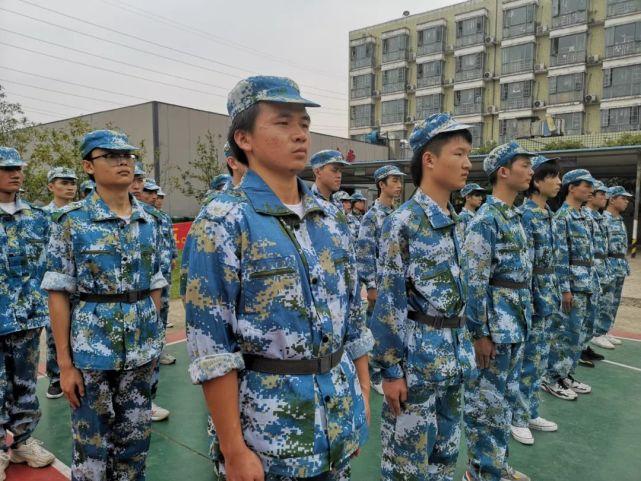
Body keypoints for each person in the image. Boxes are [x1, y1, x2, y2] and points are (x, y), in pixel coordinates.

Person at [184, 75, 372, 480]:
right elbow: (212, 351)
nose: (300, 134)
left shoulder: (331, 217)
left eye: (303, 124)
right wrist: (234, 451)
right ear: (244, 138)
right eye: (283, 123)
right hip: (269, 436)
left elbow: (353, 320)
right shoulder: (223, 220)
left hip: (337, 421)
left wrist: (362, 397)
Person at [42, 130, 168, 481]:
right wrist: (65, 365)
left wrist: (153, 338)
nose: (123, 161)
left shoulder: (151, 222)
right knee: (92, 447)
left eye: (127, 155)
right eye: (110, 156)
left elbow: (155, 286)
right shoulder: (71, 222)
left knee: (135, 443)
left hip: (141, 352)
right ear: (88, 166)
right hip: (91, 354)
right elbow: (58, 294)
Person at [370, 114, 476, 481]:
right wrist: (390, 371)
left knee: (445, 458)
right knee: (407, 466)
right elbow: (389, 303)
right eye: (459, 153)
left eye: (469, 155)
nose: (467, 163)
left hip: (453, 361)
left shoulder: (456, 221)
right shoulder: (403, 223)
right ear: (429, 160)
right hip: (417, 368)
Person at [462, 141, 535, 481]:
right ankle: (480, 472)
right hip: (495, 328)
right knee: (486, 405)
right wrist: (479, 334)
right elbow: (474, 284)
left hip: (515, 323)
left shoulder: (515, 217)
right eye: (525, 164)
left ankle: (495, 464)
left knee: (504, 400)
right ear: (503, 172)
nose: (531, 171)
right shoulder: (485, 221)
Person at [0, 147, 56, 480]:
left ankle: (21, 441)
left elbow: (50, 265)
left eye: (18, 168)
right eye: (6, 169)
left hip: (27, 318)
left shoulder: (38, 217)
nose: (15, 173)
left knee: (25, 383)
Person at [510, 155, 561, 446]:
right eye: (552, 176)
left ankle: (530, 411)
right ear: (537, 182)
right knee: (527, 358)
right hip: (532, 295)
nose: (558, 182)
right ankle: (517, 417)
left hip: (547, 292)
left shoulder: (547, 214)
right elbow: (523, 265)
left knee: (540, 358)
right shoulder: (526, 216)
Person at [544, 169, 595, 398]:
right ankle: (552, 377)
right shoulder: (563, 217)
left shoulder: (584, 216)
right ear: (572, 187)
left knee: (578, 334)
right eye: (586, 185)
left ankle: (566, 373)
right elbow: (560, 257)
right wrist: (564, 289)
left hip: (586, 284)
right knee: (565, 334)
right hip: (572, 286)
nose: (590, 190)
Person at [137, 179, 177, 421]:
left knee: (154, 332)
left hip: (156, 283)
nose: (152, 196)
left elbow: (166, 244)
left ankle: (146, 400)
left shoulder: (155, 217)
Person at [43, 166, 79, 399]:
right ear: (51, 186)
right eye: (63, 182)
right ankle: (56, 376)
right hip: (52, 281)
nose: (69, 187)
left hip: (77, 282)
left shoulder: (81, 214)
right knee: (53, 329)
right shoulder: (41, 216)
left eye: (72, 183)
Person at [598, 186, 633, 344]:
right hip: (609, 264)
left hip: (619, 264)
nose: (626, 201)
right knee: (605, 300)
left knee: (614, 300)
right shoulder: (603, 220)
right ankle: (597, 333)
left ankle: (606, 329)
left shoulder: (619, 220)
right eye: (623, 198)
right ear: (612, 199)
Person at [584, 181, 615, 353]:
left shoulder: (598, 217)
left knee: (599, 305)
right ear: (591, 196)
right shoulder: (585, 216)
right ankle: (587, 342)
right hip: (590, 268)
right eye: (601, 194)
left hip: (600, 267)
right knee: (588, 309)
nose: (605, 197)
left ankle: (590, 339)